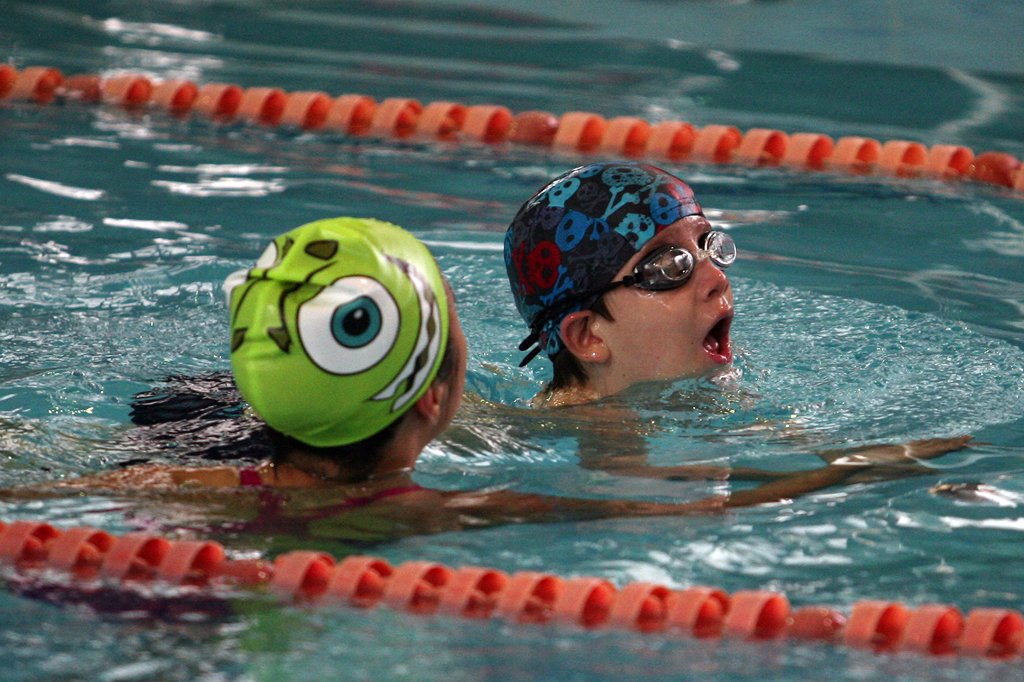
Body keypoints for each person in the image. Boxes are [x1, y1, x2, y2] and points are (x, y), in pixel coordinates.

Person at [20, 216, 968, 545]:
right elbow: (666, 517)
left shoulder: (183, 490)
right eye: (672, 266)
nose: (717, 277)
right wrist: (894, 462)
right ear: (434, 402)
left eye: (708, 249)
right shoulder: (417, 511)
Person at [505, 161, 735, 406]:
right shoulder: (529, 438)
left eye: (705, 243)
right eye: (667, 267)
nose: (717, 279)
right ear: (587, 335)